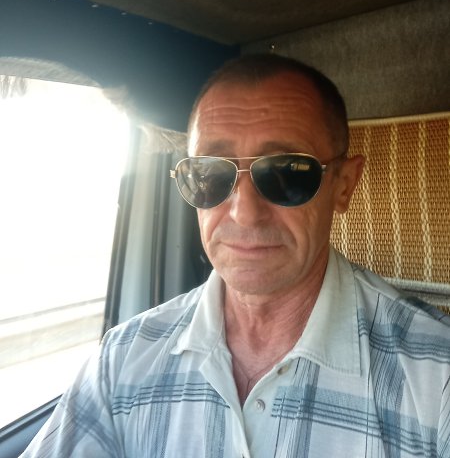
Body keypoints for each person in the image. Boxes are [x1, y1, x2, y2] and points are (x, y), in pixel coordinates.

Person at [22, 54, 450, 457]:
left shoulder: (437, 377)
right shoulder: (121, 361)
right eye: (209, 173)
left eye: (286, 173)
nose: (244, 213)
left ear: (343, 185)